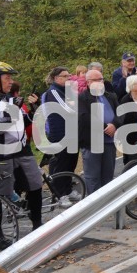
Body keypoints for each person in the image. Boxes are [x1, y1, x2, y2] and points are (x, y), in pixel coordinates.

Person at [0, 61, 45, 238]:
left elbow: (24, 122)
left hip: (22, 151)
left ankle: (37, 225)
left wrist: (32, 110)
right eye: (7, 78)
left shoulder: (8, 99)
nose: (10, 82)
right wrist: (13, 113)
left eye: (10, 78)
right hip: (0, 153)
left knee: (35, 185)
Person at [78, 69, 121, 195]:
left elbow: (120, 113)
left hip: (109, 142)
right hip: (92, 143)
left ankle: (107, 203)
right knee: (93, 176)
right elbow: (85, 117)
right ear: (88, 82)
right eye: (96, 80)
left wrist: (114, 124)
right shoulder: (82, 98)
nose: (100, 82)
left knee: (108, 175)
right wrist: (105, 127)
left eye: (101, 79)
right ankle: (94, 208)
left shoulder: (110, 95)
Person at [40, 67, 79, 207]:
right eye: (65, 76)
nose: (69, 78)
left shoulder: (67, 91)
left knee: (70, 163)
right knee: (61, 164)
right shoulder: (54, 91)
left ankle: (67, 190)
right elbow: (68, 109)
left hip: (72, 132)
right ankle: (59, 194)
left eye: (69, 76)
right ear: (57, 78)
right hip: (60, 134)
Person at [119, 74, 137, 164]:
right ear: (132, 86)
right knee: (132, 162)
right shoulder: (126, 100)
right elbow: (125, 120)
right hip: (131, 137)